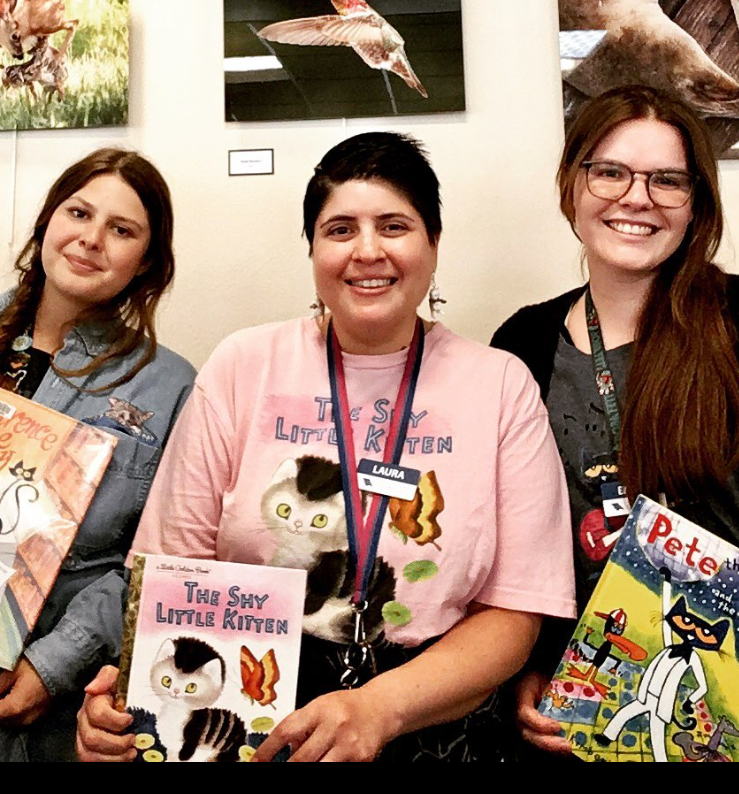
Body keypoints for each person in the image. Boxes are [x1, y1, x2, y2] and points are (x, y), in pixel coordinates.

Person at [75, 132, 577, 763]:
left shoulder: (501, 385)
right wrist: (133, 696)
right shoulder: (242, 366)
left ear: (434, 245)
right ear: (312, 250)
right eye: (340, 229)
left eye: (394, 225)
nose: (367, 251)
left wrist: (377, 708)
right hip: (253, 716)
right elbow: (170, 573)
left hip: (432, 723)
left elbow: (516, 614)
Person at [0, 148, 196, 762]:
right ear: (46, 223)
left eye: (121, 230)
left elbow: (157, 562)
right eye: (78, 213)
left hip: (15, 693)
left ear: (146, 262)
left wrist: (55, 665)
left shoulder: (168, 388)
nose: (91, 239)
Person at [490, 85, 739, 755]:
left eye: (667, 180)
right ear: (573, 184)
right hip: (583, 700)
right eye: (611, 172)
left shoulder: (735, 323)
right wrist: (528, 667)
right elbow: (515, 544)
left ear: (696, 205)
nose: (637, 198)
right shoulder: (522, 342)